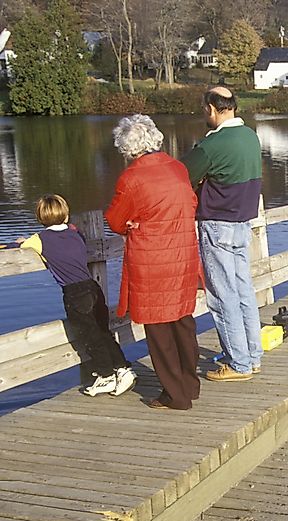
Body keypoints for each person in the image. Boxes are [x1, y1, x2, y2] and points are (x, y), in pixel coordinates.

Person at [106, 115, 202, 410]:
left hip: (152, 260)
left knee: (159, 329)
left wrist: (134, 223)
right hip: (183, 255)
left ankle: (175, 395)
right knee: (183, 322)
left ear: (128, 149)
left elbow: (115, 220)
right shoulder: (177, 168)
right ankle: (189, 384)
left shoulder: (132, 177)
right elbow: (191, 204)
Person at [12, 195, 135, 397]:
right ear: (66, 214)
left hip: (74, 293)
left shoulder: (40, 239)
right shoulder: (75, 233)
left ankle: (105, 376)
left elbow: (22, 247)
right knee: (103, 331)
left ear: (39, 217)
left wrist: (21, 242)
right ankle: (122, 368)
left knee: (90, 336)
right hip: (93, 288)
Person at [181, 87, 263, 381]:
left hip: (217, 224)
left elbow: (181, 176)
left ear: (212, 109)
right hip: (243, 224)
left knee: (221, 295)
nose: (204, 114)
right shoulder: (250, 136)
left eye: (204, 109)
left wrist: (202, 179)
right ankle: (252, 356)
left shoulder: (213, 145)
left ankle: (238, 363)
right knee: (243, 291)